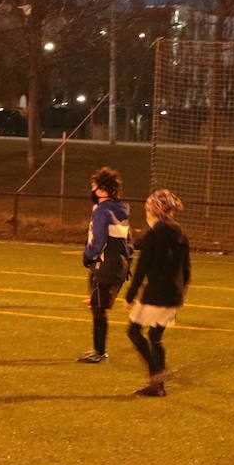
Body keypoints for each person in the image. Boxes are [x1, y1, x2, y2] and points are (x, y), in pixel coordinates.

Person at [124, 189, 191, 397]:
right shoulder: (180, 232)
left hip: (156, 294)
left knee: (134, 332)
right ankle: (158, 384)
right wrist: (181, 291)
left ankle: (158, 377)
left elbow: (142, 267)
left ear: (153, 210)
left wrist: (130, 294)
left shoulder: (154, 234)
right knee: (154, 335)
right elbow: (187, 269)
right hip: (174, 294)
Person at [76, 167, 132, 364]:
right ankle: (99, 350)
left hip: (105, 264)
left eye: (94, 186)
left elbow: (98, 241)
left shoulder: (102, 210)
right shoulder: (121, 209)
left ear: (101, 189)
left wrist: (88, 256)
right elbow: (129, 241)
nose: (92, 190)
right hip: (119, 265)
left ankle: (99, 352)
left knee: (98, 309)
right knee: (98, 305)